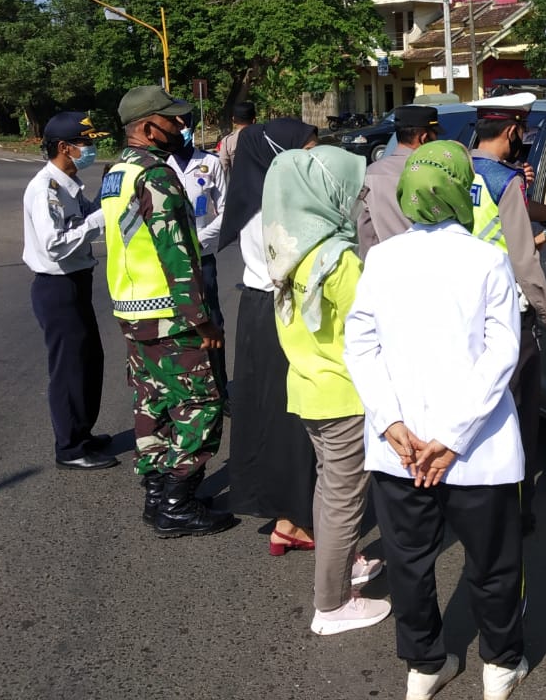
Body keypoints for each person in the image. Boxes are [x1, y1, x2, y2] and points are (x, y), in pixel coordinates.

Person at [344, 140, 528, 700]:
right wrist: (450, 439)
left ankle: (424, 664)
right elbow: (502, 355)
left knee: (408, 562)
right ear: (460, 190)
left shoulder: (381, 258)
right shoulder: (487, 259)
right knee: (494, 562)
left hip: (399, 450)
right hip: (477, 451)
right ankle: (500, 665)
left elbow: (360, 343)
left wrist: (390, 421)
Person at [262, 146, 390, 636]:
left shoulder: (289, 249)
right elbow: (374, 328)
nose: (359, 199)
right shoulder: (339, 260)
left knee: (329, 486)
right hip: (345, 396)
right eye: (351, 190)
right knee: (343, 497)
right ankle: (332, 604)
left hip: (310, 388)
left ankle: (348, 565)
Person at [98, 85, 235, 537]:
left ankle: (157, 494)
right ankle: (177, 501)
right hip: (170, 313)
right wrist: (202, 317)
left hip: (133, 309)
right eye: (172, 121)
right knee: (200, 405)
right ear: (147, 127)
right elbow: (176, 251)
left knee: (152, 402)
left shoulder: (115, 172)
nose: (180, 127)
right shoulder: (155, 174)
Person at [219, 119, 325, 556]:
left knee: (269, 413)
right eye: (307, 151)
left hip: (258, 309)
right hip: (285, 309)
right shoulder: (280, 204)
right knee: (295, 417)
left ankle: (287, 514)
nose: (313, 160)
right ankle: (294, 517)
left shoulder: (255, 195)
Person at [471, 107, 546, 535]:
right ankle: (515, 508)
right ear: (511, 130)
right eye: (521, 132)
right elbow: (523, 256)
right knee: (518, 418)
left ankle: (473, 499)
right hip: (507, 311)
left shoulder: (460, 169)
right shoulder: (504, 179)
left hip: (466, 308)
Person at [22, 111, 116, 471]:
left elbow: (85, 218)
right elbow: (55, 245)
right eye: (85, 143)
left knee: (89, 360)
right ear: (64, 147)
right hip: (57, 286)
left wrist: (104, 202)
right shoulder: (46, 188)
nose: (90, 149)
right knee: (68, 368)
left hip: (77, 282)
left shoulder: (69, 184)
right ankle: (69, 447)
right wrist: (99, 218)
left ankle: (83, 431)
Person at [166, 117, 230, 410]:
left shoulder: (211, 163)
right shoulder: (158, 165)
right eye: (174, 124)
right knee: (176, 326)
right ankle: (184, 393)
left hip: (202, 256)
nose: (180, 131)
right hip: (168, 260)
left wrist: (200, 238)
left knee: (212, 322)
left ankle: (219, 391)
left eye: (184, 125)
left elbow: (226, 209)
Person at [354, 104, 440, 259]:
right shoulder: (435, 172)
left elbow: (366, 229)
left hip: (387, 265)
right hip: (428, 264)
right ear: (424, 137)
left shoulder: (371, 173)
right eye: (436, 136)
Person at [217, 100, 255, 175]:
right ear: (254, 119)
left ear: (234, 120)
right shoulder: (264, 137)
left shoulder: (228, 141)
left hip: (238, 184)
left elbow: (222, 168)